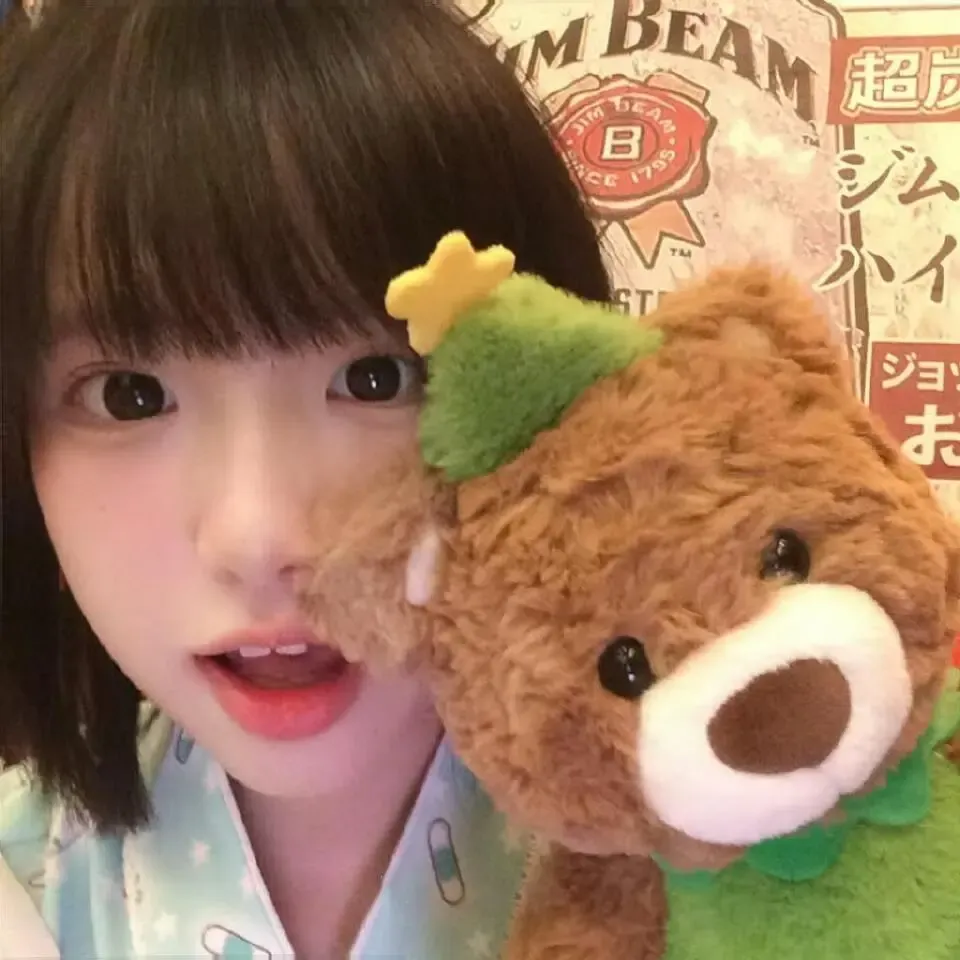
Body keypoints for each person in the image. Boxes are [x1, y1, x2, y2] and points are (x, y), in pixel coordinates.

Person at [0, 1, 611, 957]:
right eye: (128, 395)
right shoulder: (26, 891)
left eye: (376, 378)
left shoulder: (717, 848)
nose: (260, 536)